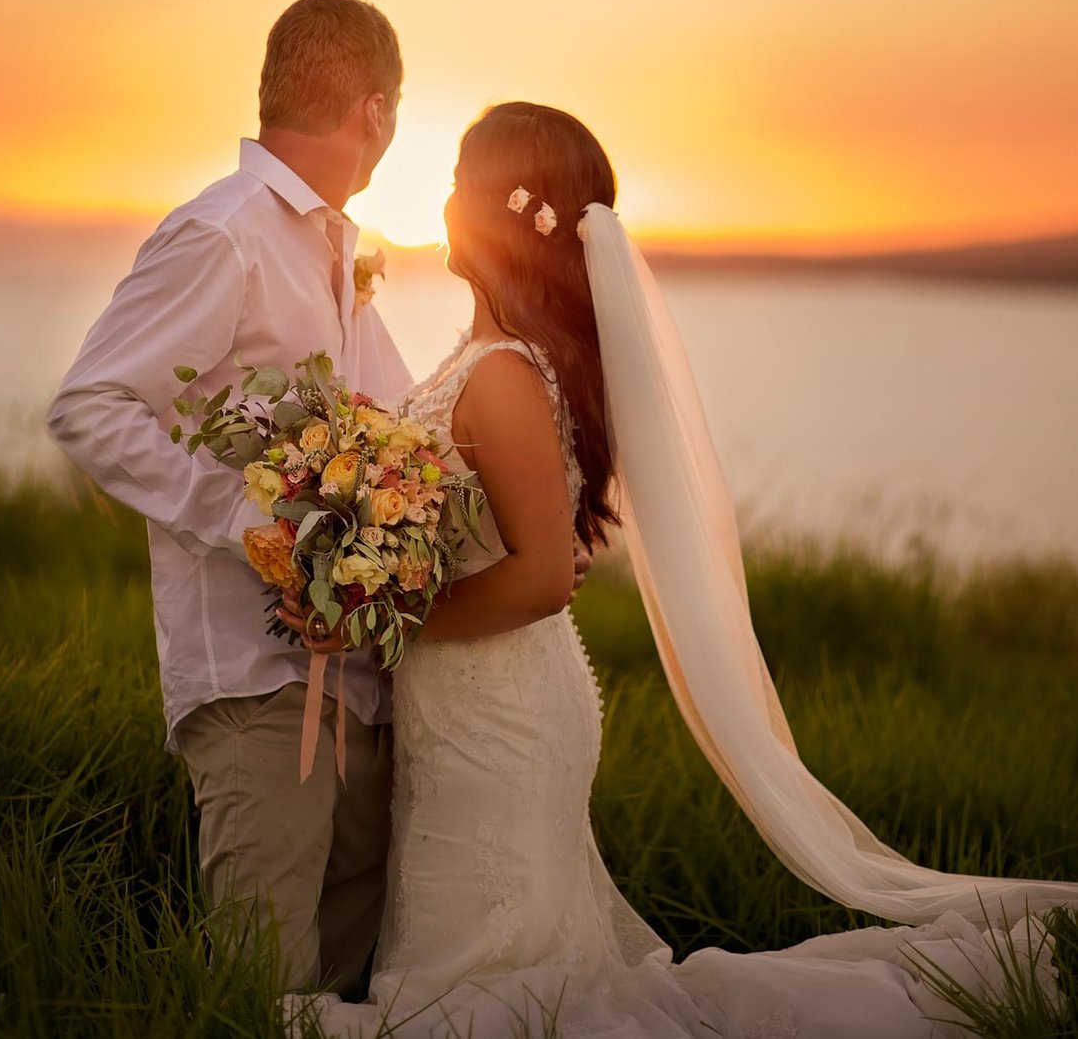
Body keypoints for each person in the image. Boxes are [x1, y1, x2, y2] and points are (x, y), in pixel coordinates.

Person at [280, 100, 1078, 1039]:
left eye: (460, 178)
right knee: (513, 970)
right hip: (472, 702)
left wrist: (384, 620)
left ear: (499, 209)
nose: (444, 195)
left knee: (504, 989)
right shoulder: (488, 354)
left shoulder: (503, 373)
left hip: (498, 712)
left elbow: (543, 579)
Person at [48, 0, 414, 995]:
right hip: (257, 689)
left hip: (361, 688)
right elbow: (92, 406)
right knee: (261, 995)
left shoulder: (336, 249)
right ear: (373, 112)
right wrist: (254, 524)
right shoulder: (224, 235)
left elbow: (398, 430)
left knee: (342, 995)